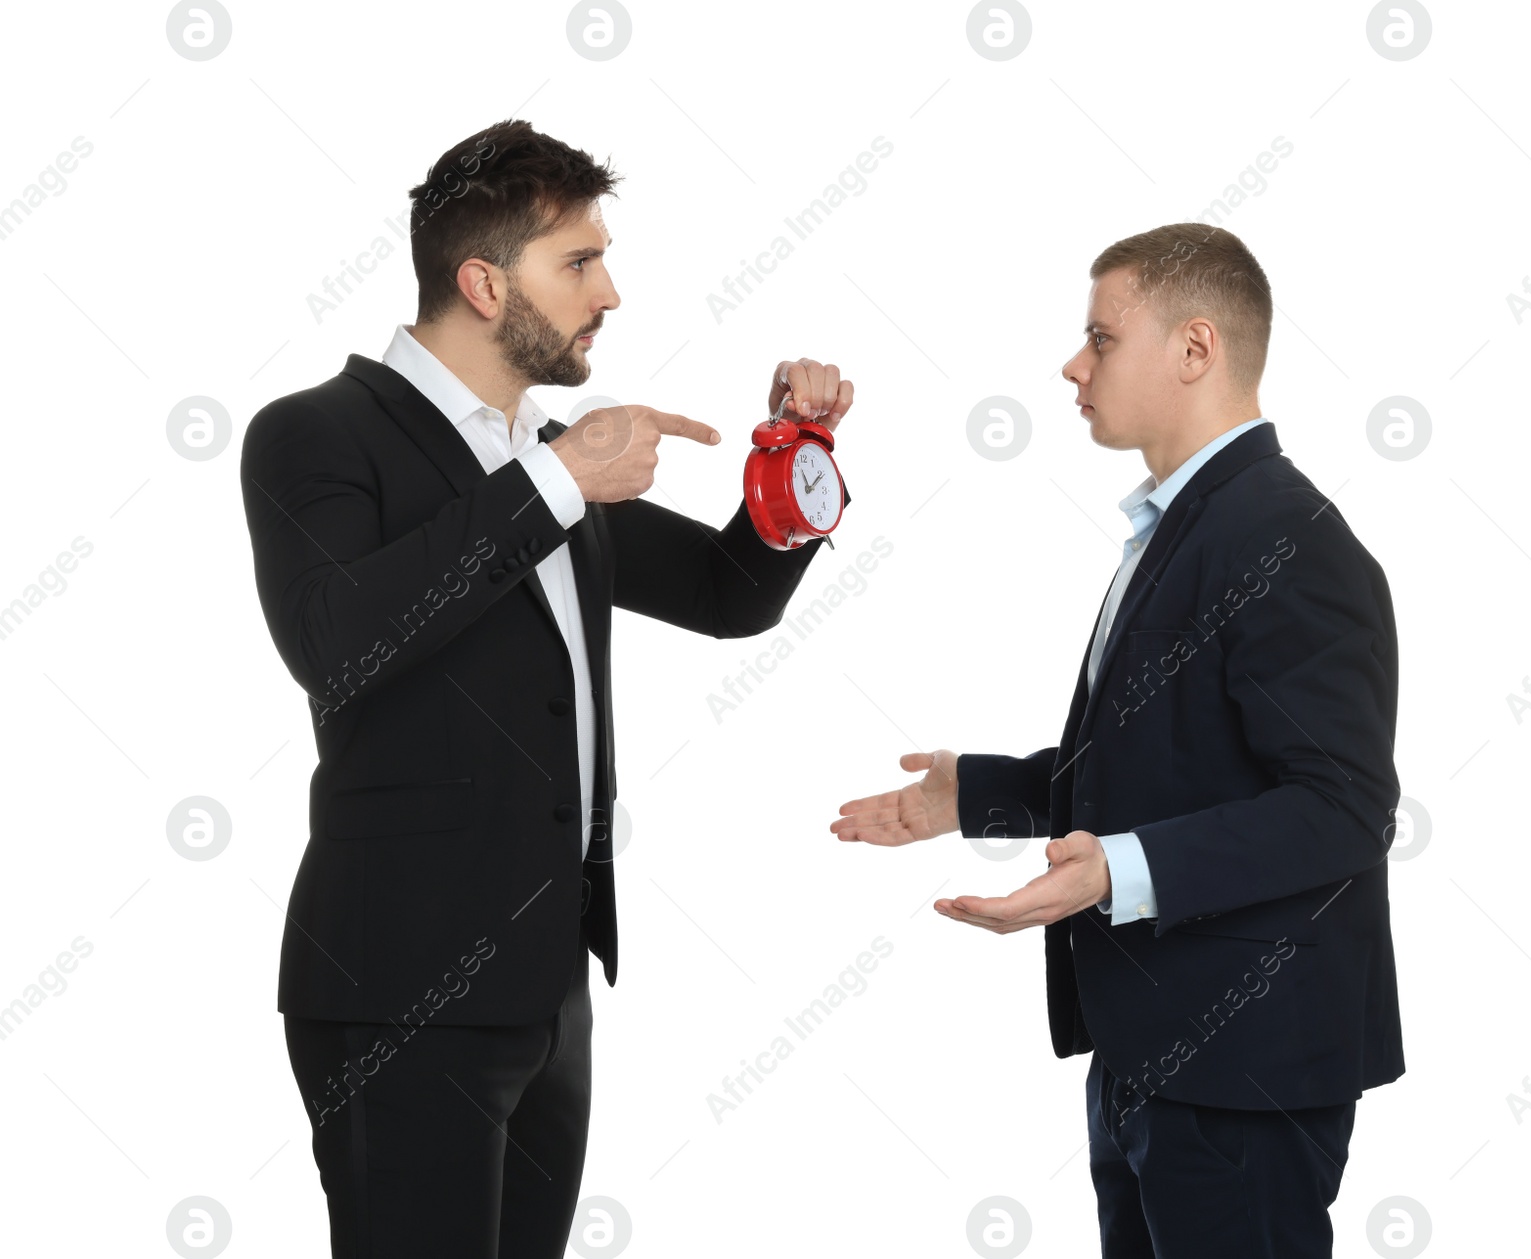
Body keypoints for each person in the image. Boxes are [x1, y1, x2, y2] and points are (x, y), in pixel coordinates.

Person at [239, 118, 852, 1258]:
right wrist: (557, 478)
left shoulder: (552, 453)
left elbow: (729, 592)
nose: (609, 290)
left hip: (547, 988)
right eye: (578, 261)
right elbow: (337, 643)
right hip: (396, 986)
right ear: (480, 282)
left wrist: (794, 455)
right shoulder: (315, 434)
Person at [833, 222, 1402, 1259]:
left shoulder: (1284, 536)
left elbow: (1342, 809)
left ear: (1194, 350)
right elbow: (1179, 765)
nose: (1072, 363)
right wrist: (976, 796)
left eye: (1099, 337)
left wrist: (1115, 871)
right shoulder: (1190, 523)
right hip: (1152, 1047)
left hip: (1244, 1066)